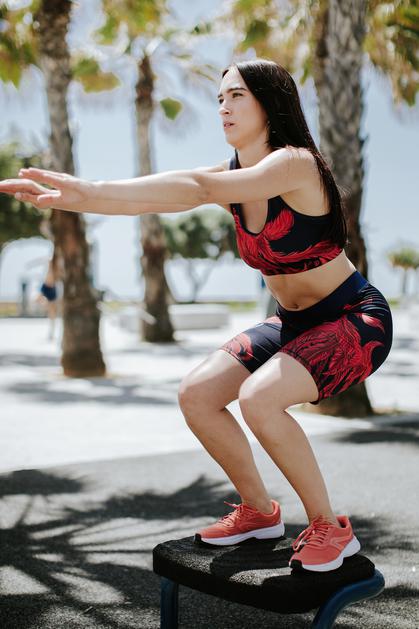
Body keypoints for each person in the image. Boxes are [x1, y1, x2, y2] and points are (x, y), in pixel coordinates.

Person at [0, 58, 393, 573]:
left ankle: (329, 527)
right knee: (198, 394)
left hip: (354, 319)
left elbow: (199, 188)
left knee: (259, 399)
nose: (224, 108)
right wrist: (86, 195)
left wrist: (96, 192)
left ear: (270, 103)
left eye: (237, 96)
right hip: (294, 323)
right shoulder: (232, 177)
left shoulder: (295, 164)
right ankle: (258, 512)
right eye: (219, 98)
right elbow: (174, 191)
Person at [35, 254, 60, 340]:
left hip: (52, 289)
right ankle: (44, 307)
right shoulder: (51, 261)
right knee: (38, 300)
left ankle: (51, 333)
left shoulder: (57, 267)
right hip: (46, 287)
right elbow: (40, 260)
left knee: (52, 312)